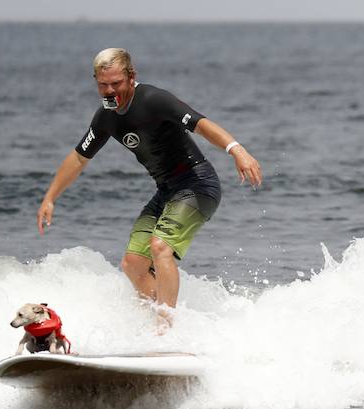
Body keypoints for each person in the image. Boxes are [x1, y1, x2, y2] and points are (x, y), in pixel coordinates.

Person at [37, 48, 262, 329]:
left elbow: (200, 124)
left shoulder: (155, 100)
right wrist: (50, 198)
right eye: (102, 84)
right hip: (166, 192)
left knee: (160, 246)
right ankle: (160, 320)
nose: (109, 92)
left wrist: (236, 150)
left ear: (132, 77)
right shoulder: (106, 117)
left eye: (116, 84)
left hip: (198, 184)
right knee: (133, 264)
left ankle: (166, 327)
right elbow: (79, 157)